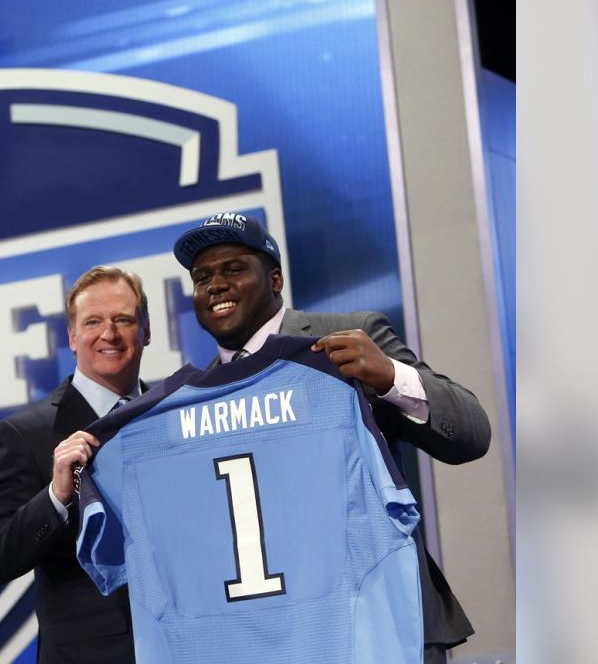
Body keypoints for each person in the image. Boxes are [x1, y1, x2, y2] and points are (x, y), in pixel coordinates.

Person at [172, 210, 490, 664]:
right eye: (202, 278)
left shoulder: (350, 339)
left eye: (233, 269)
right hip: (270, 639)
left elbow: (472, 433)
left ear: (276, 279)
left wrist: (390, 377)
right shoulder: (194, 402)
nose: (214, 285)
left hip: (382, 622)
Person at [0, 266, 150, 663]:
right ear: (72, 337)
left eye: (123, 319)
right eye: (93, 322)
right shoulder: (24, 433)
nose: (109, 333)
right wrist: (55, 497)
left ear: (146, 331)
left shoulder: (173, 410)